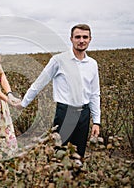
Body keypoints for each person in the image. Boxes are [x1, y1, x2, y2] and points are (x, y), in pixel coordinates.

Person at [15, 24, 100, 158]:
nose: (81, 40)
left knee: (79, 156)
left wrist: (96, 121)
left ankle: (75, 179)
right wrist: (23, 103)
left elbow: (95, 94)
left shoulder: (92, 64)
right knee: (59, 155)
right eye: (78, 37)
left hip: (84, 114)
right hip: (64, 112)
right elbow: (39, 83)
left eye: (85, 37)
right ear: (71, 39)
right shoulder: (58, 60)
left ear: (90, 39)